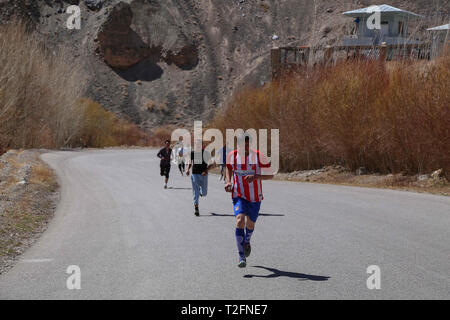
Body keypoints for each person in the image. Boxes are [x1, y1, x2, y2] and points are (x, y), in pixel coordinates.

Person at [224, 135, 274, 268]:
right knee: (240, 220)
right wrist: (228, 181)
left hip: (255, 196)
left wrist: (256, 176)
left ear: (249, 145)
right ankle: (241, 257)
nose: (244, 148)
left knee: (250, 224)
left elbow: (271, 174)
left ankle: (247, 241)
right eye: (241, 145)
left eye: (246, 145)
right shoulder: (232, 156)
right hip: (238, 194)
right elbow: (228, 167)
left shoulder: (258, 156)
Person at [186, 140, 214, 216]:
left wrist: (206, 170)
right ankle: (196, 208)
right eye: (196, 145)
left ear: (202, 146)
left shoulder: (206, 153)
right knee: (196, 192)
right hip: (195, 174)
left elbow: (211, 164)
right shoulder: (192, 153)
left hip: (204, 174)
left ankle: (200, 192)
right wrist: (188, 169)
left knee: (204, 193)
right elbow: (189, 162)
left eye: (199, 145)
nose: (197, 146)